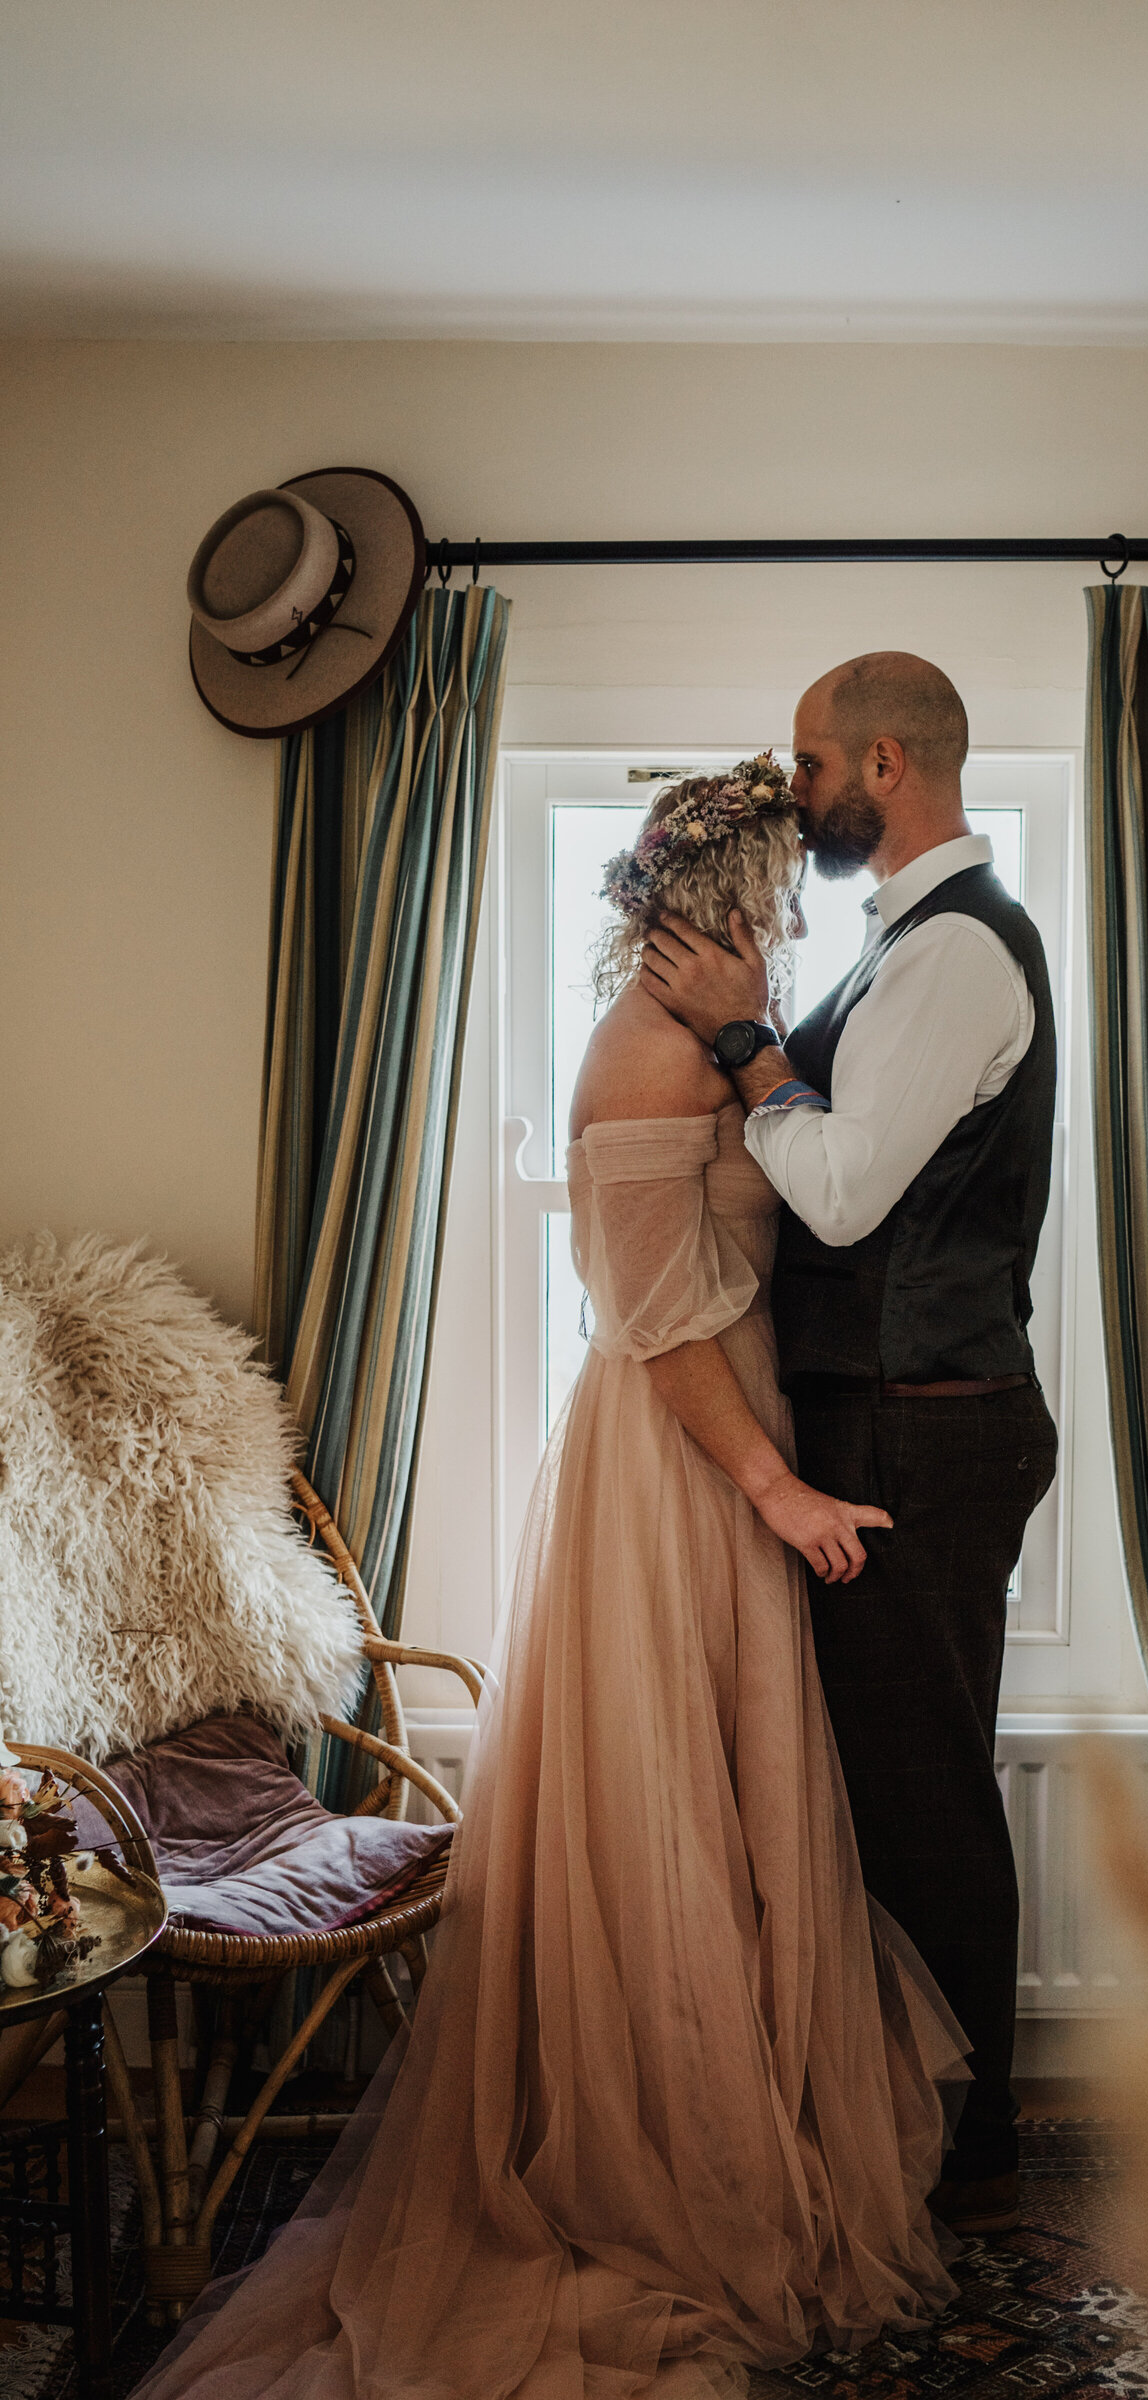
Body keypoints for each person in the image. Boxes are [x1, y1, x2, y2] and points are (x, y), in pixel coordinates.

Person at [129, 755, 967, 2400]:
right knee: (675, 1816)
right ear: (712, 905)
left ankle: (742, 2129)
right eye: (775, 896)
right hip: (683, 1470)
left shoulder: (731, 1042)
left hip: (728, 1446)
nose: (791, 921)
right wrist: (779, 1486)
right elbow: (655, 1328)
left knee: (740, 1815)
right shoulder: (635, 1062)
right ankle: (674, 2160)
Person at [642, 655, 1059, 2236]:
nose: (796, 783)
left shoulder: (954, 956)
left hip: (922, 1433)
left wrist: (746, 1042)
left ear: (886, 762)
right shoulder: (907, 949)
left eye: (813, 760)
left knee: (921, 1794)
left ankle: (969, 2141)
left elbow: (839, 1192)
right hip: (893, 1419)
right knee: (893, 1786)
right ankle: (918, 2107)